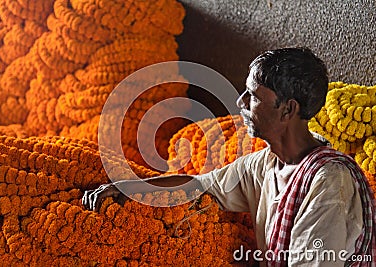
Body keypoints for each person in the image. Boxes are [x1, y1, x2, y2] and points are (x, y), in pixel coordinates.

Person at [83, 47, 376, 266]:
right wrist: (133, 188)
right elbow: (198, 185)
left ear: (288, 109)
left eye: (254, 96)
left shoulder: (329, 182)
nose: (240, 102)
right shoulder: (265, 164)